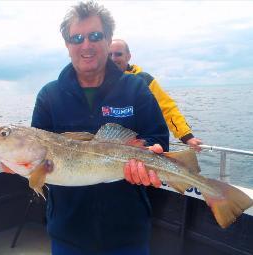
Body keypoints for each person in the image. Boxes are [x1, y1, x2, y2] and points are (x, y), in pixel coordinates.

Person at [31, 1, 169, 254]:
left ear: (108, 40)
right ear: (67, 45)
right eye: (77, 38)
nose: (86, 45)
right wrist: (15, 161)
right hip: (68, 233)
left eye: (95, 35)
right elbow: (38, 157)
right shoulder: (49, 96)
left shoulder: (136, 88)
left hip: (128, 232)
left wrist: (152, 150)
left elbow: (158, 138)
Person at [109, 39, 202, 151]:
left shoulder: (144, 80)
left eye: (118, 54)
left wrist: (187, 136)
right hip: (111, 149)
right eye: (109, 54)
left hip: (142, 147)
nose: (113, 58)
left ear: (128, 56)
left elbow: (167, 108)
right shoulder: (99, 82)